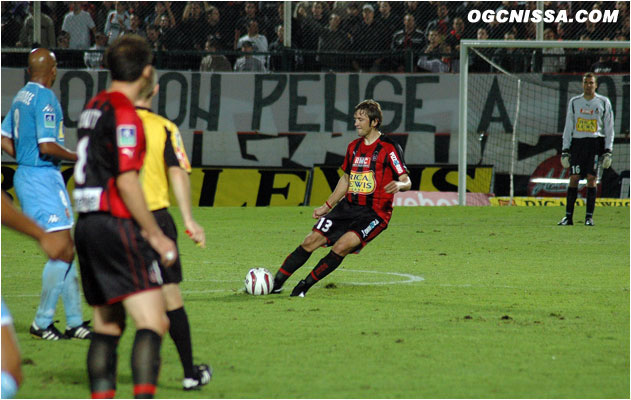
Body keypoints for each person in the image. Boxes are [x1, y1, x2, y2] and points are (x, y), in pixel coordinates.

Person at [73, 34, 178, 399]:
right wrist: (155, 234)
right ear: (147, 72)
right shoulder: (125, 113)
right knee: (154, 320)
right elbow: (128, 180)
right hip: (115, 224)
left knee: (108, 323)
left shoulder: (94, 105)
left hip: (85, 225)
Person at [272, 100, 411, 297]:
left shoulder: (389, 147)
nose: (356, 123)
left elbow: (407, 180)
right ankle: (276, 283)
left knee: (342, 246)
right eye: (355, 119)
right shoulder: (353, 147)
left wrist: (399, 185)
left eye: (361, 119)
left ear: (374, 122)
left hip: (374, 214)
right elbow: (346, 179)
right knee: (310, 241)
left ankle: (304, 286)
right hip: (347, 207)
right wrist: (326, 206)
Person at [0, 48, 91, 341]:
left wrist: (21, 155)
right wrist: (80, 156)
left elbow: (3, 137)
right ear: (53, 70)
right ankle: (42, 322)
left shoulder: (20, 96)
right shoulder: (45, 98)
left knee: (66, 249)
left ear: (30, 70)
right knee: (61, 247)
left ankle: (75, 321)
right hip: (41, 177)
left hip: (29, 175)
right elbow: (47, 147)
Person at [134, 70, 212, 391]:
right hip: (154, 219)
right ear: (154, 90)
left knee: (113, 313)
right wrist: (189, 219)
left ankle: (106, 382)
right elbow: (177, 173)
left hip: (112, 222)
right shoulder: (164, 128)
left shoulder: (106, 125)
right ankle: (190, 373)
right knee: (169, 298)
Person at [1, 191, 75, 399]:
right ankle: (44, 323)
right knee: (9, 371)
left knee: (11, 370)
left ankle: (68, 322)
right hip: (39, 178)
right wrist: (41, 235)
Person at [558, 73, 614, 227]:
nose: (589, 85)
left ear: (596, 85)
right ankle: (568, 217)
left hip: (595, 144)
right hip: (578, 143)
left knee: (591, 179)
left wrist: (608, 150)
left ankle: (589, 217)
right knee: (574, 178)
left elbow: (609, 127)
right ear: (582, 84)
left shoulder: (603, 101)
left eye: (591, 82)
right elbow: (568, 126)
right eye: (586, 82)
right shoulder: (575, 102)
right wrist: (565, 149)